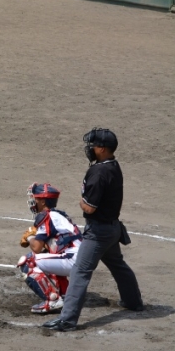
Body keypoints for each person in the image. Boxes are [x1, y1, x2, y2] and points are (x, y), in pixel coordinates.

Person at [43, 128, 143, 332]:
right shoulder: (113, 165)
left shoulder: (98, 173)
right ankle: (133, 302)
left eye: (94, 145)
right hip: (113, 229)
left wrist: (81, 202)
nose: (90, 148)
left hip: (98, 233)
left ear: (102, 149)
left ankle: (67, 320)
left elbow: (89, 208)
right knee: (118, 265)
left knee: (80, 272)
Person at [17, 183, 83, 314]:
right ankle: (64, 294)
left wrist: (30, 237)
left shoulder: (47, 216)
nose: (33, 202)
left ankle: (53, 301)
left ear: (43, 201)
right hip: (81, 259)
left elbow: (36, 248)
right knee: (48, 254)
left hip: (72, 259)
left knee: (28, 262)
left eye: (35, 198)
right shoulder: (59, 215)